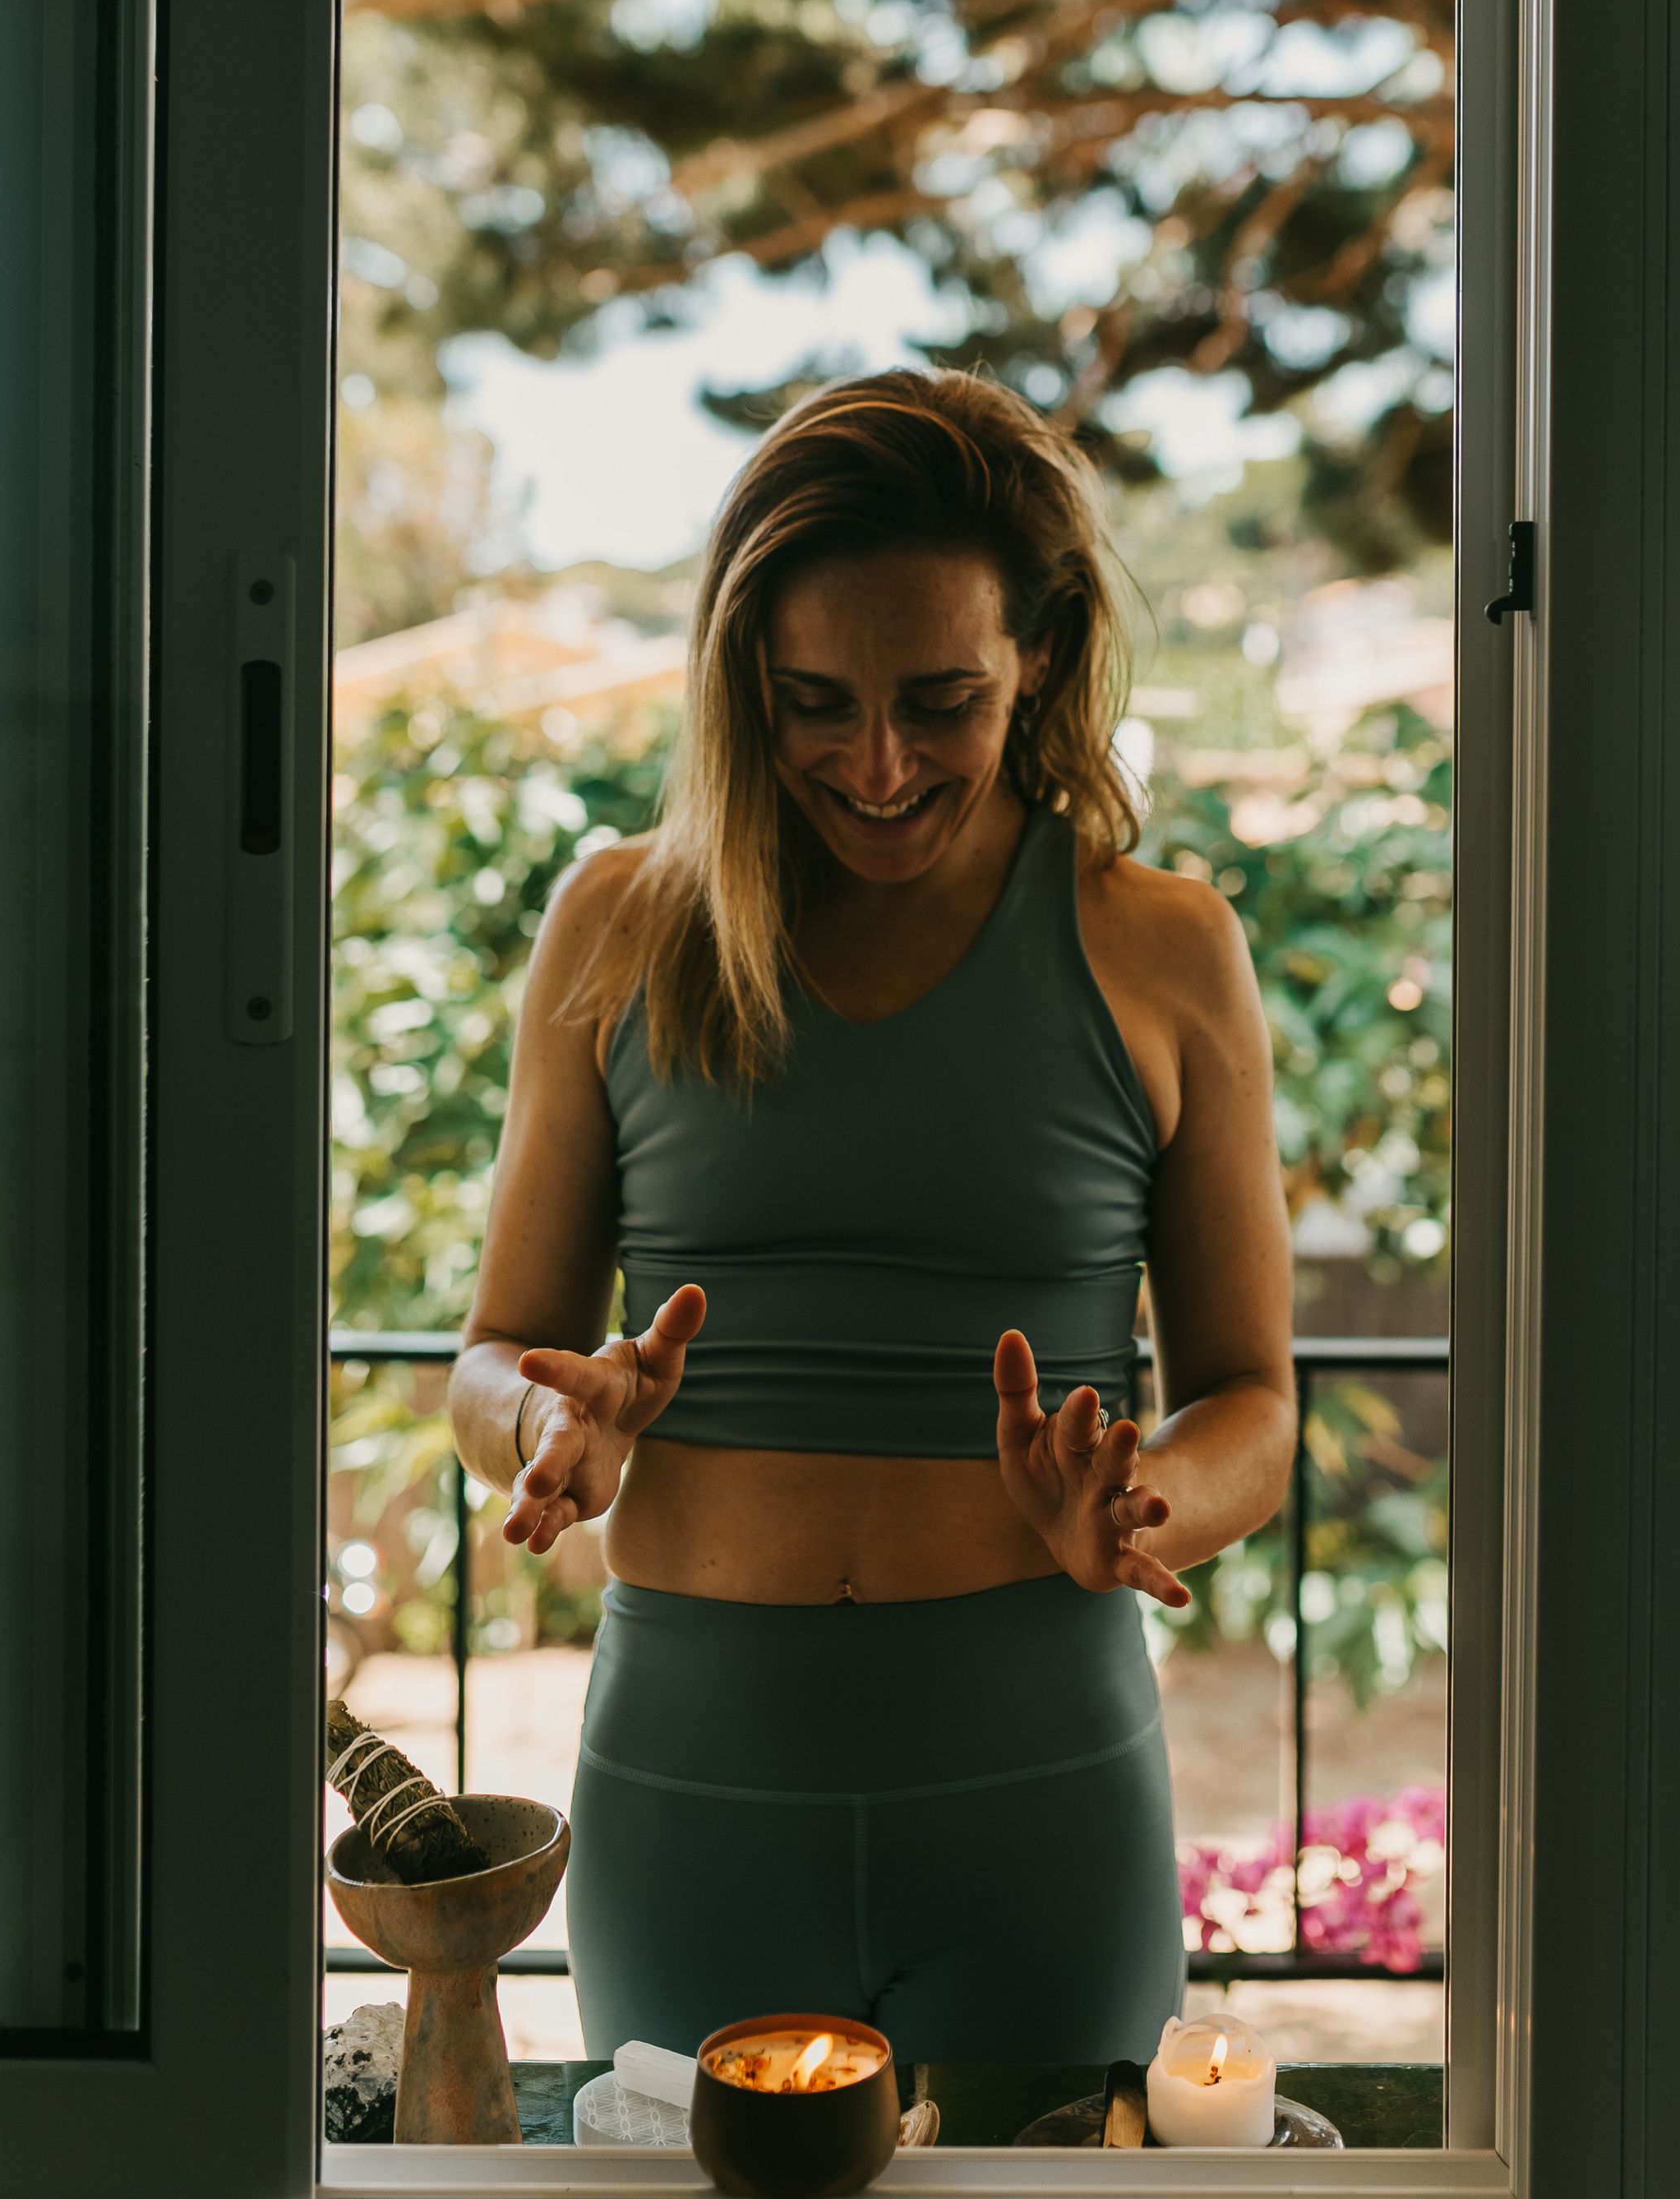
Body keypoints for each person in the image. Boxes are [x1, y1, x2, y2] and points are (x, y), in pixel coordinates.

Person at [448, 369, 1295, 2063]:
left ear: (1039, 653)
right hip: (692, 1793)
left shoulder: (1161, 946)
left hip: (1039, 1788)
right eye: (812, 703)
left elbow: (1254, 1404)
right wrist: (547, 1411)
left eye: (943, 700)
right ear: (737, 679)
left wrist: (1142, 1508)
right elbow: (488, 1357)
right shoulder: (613, 926)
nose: (881, 765)